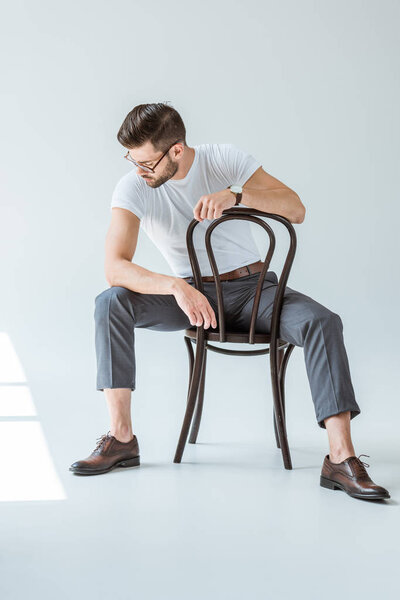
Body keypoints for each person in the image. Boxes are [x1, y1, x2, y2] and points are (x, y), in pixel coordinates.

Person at [69, 102, 390, 501]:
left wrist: (237, 195)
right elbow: (115, 267)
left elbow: (296, 208)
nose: (139, 171)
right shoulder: (134, 187)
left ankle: (340, 459)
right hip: (192, 295)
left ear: (177, 151)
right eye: (133, 161)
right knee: (110, 301)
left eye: (147, 163)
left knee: (322, 321)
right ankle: (121, 439)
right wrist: (175, 286)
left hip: (256, 290)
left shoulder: (223, 160)